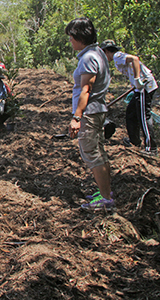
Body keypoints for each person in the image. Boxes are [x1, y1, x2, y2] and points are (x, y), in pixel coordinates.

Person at [66, 17, 114, 210]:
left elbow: (86, 89)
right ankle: (105, 192)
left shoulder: (89, 58)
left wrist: (77, 117)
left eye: (71, 37)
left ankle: (106, 200)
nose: (70, 41)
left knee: (93, 156)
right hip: (97, 111)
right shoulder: (98, 54)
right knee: (99, 153)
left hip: (90, 113)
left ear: (80, 37)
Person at [100, 40, 158, 154]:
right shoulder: (118, 57)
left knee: (143, 116)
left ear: (106, 51)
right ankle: (134, 141)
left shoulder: (117, 56)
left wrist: (137, 79)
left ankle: (151, 148)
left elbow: (135, 59)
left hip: (144, 87)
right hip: (139, 88)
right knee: (131, 113)